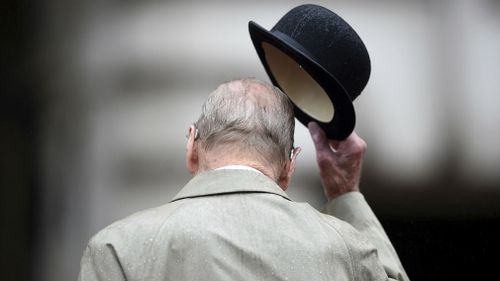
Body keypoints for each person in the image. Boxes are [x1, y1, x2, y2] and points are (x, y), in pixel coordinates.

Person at [78, 78, 409, 281]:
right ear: (289, 166)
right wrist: (345, 193)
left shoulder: (117, 248)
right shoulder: (345, 247)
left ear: (192, 145)